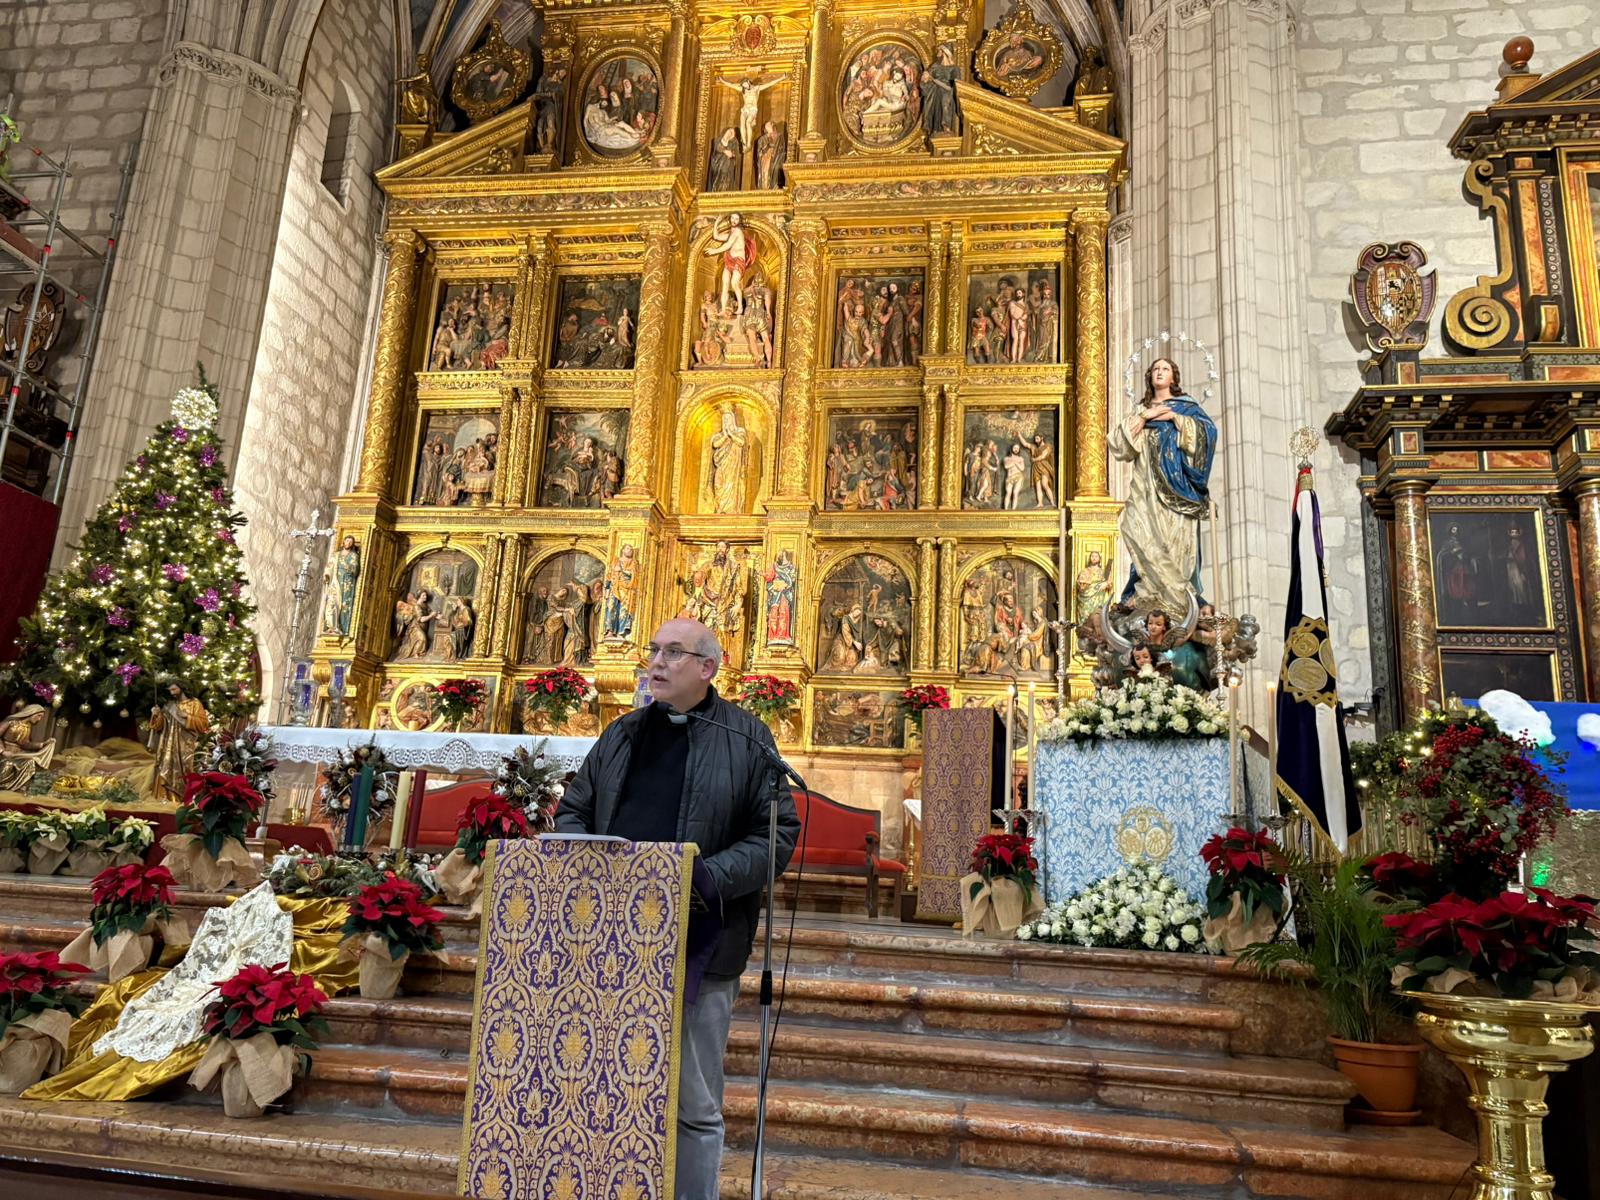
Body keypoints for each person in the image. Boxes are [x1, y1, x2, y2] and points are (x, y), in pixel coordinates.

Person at [556, 618, 799, 1200]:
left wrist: (704, 877)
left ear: (707, 668)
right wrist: (583, 856)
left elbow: (776, 835)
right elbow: (575, 808)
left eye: (672, 652)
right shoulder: (621, 733)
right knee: (600, 1084)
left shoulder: (746, 738)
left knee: (693, 1101)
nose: (656, 663)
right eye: (653, 651)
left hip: (702, 938)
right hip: (610, 938)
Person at [1110, 357, 1216, 613]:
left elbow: (1208, 433)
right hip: (1144, 485)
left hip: (1175, 485)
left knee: (1172, 539)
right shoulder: (1141, 410)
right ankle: (1148, 591)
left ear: (1173, 377)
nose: (1159, 372)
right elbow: (1118, 444)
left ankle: (1176, 601)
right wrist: (1146, 416)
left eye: (1165, 369)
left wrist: (1177, 419)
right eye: (1155, 368)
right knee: (1133, 527)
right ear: (1149, 376)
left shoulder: (1186, 407)